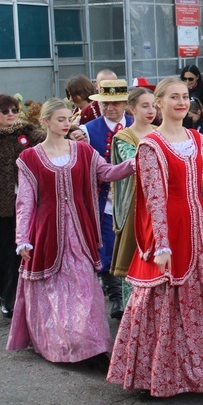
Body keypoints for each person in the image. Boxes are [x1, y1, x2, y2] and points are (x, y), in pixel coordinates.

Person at [107, 77, 203, 398]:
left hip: (202, 227)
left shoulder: (196, 139)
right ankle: (166, 374)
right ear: (158, 103)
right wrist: (161, 243)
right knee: (165, 305)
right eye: (173, 97)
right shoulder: (150, 145)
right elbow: (154, 198)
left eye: (185, 96)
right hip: (172, 230)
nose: (181, 102)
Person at [7, 98, 134, 365]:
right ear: (46, 122)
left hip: (80, 231)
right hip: (47, 231)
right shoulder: (29, 158)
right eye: (61, 119)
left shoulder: (84, 151)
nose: (66, 124)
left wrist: (133, 163)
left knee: (84, 288)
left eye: (69, 119)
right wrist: (22, 239)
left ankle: (93, 346)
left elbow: (108, 172)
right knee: (55, 292)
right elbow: (25, 202)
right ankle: (64, 343)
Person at [69, 79, 134, 320]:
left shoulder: (139, 126)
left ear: (126, 104)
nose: (110, 108)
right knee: (106, 247)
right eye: (106, 103)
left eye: (115, 103)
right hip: (103, 198)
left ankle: (132, 295)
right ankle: (115, 296)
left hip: (132, 198)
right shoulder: (87, 130)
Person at [0, 95, 44, 318]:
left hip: (26, 206)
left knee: (17, 253)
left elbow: (50, 138)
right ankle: (5, 295)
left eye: (14, 110)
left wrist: (74, 131)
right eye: (5, 111)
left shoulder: (27, 134)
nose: (11, 115)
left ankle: (13, 298)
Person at [109, 87, 156, 306]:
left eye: (154, 105)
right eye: (145, 106)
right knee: (134, 261)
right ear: (132, 108)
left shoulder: (160, 131)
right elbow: (136, 162)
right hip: (136, 206)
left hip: (161, 204)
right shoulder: (124, 137)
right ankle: (133, 314)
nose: (151, 110)